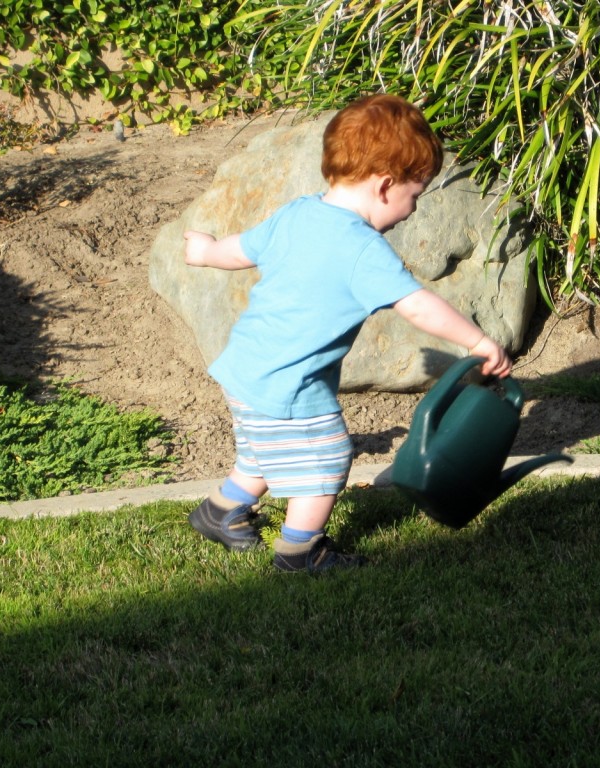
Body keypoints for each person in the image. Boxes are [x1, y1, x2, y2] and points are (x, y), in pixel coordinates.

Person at [182, 93, 512, 573]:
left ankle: (219, 511)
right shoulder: (361, 249)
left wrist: (207, 251)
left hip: (246, 368)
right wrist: (478, 342)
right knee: (325, 456)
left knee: (263, 449)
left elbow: (242, 250)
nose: (413, 210)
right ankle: (300, 551)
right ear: (384, 186)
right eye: (414, 196)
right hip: (289, 381)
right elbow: (419, 306)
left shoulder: (299, 212)